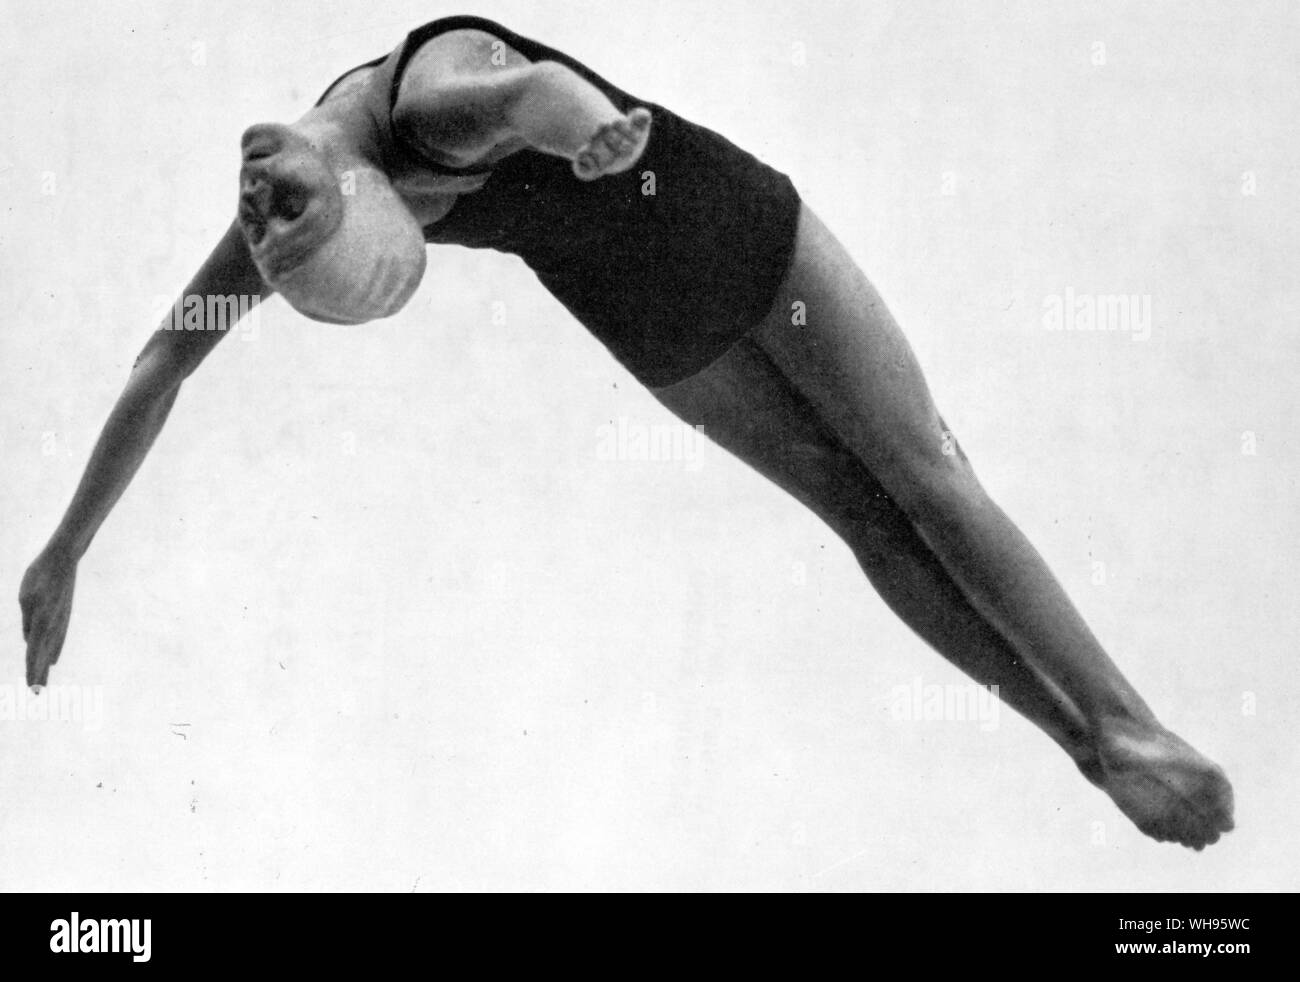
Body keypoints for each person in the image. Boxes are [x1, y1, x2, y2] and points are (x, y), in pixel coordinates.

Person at [19, 15, 1233, 849]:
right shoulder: (406, 130)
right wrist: (72, 543)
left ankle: (1091, 737)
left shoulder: (386, 143)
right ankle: (1111, 724)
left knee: (884, 507)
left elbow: (158, 357)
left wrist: (582, 118)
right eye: (280, 224)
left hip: (649, 311)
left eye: (269, 217)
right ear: (371, 196)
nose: (256, 206)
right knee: (913, 478)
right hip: (716, 238)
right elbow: (166, 361)